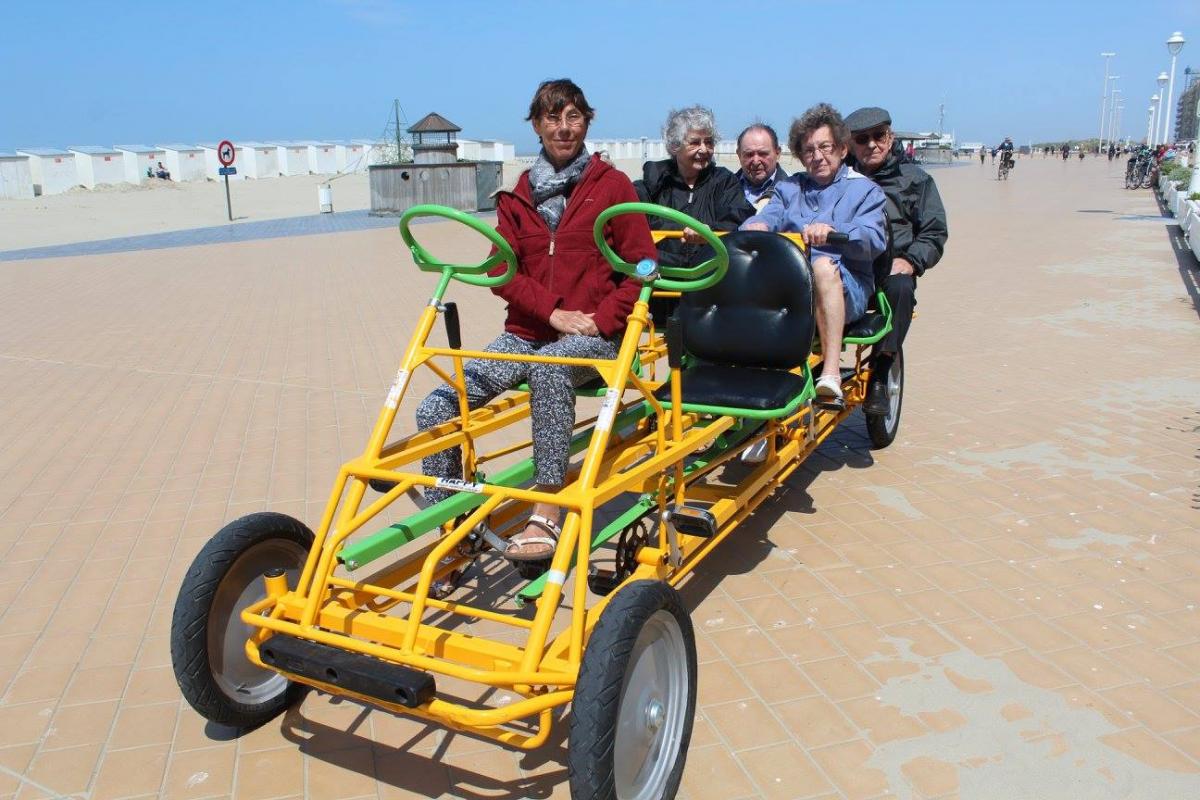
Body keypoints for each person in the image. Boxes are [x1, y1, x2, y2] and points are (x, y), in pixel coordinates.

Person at [413, 78, 656, 562]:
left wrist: (600, 318)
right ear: (537, 125)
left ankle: (547, 511)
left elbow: (643, 266)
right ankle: (454, 520)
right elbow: (501, 271)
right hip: (527, 334)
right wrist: (551, 314)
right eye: (552, 118)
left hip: (593, 339)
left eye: (572, 117)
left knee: (549, 368)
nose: (562, 128)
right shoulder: (519, 193)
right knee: (436, 407)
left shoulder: (612, 187)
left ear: (587, 122)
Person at [741, 102, 887, 407]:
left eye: (825, 147)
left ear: (842, 149)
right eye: (808, 150)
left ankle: (831, 373)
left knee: (822, 265)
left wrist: (834, 230)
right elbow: (771, 215)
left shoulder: (866, 191)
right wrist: (756, 224)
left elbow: (874, 239)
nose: (817, 156)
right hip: (792, 285)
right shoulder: (789, 188)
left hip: (846, 282)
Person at [844, 107, 949, 414]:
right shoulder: (841, 178)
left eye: (879, 136)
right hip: (849, 267)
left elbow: (934, 230)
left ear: (889, 138)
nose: (872, 144)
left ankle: (881, 369)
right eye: (862, 139)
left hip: (891, 267)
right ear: (851, 145)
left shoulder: (915, 179)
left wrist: (912, 260)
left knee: (901, 287)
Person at [635, 106, 754, 322]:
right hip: (662, 280)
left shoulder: (724, 181)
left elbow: (736, 213)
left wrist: (710, 231)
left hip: (707, 278)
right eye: (695, 142)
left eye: (709, 142)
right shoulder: (654, 181)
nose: (704, 149)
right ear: (675, 146)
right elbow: (634, 215)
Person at [734, 123, 788, 210]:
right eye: (749, 154)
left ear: (777, 153)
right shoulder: (724, 190)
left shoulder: (794, 192)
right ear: (739, 155)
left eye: (763, 154)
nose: (756, 161)